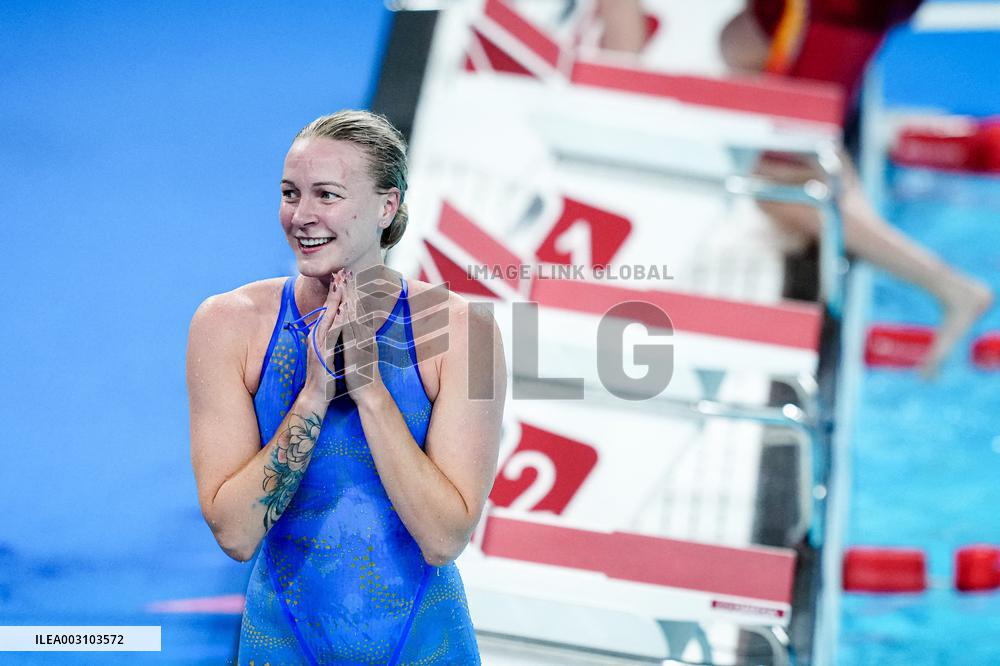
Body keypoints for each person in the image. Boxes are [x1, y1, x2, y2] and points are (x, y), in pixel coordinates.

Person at [186, 110, 506, 664]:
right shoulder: (227, 326)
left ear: (388, 206)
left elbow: (444, 538)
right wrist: (312, 394)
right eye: (290, 193)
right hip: (283, 643)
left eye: (327, 195)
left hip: (422, 644)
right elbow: (236, 534)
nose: (301, 216)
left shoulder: (466, 333)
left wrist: (370, 392)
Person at [598, 0, 992, 377]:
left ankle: (953, 288)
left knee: (774, 188)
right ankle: (837, 185)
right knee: (740, 43)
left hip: (839, 13)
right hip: (823, 12)